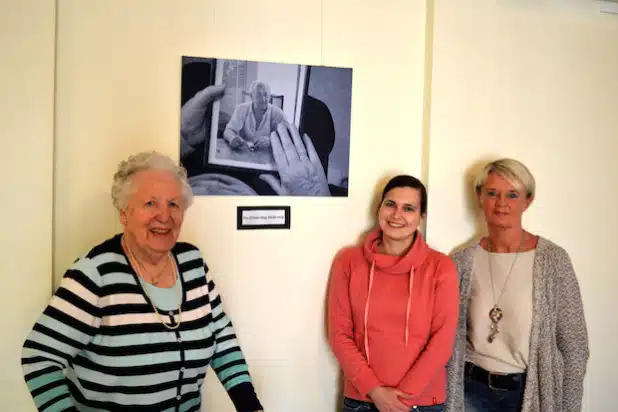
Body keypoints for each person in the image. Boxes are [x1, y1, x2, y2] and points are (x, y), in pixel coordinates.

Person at [21, 152, 264, 411]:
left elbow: (221, 337)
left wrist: (249, 404)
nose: (164, 216)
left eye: (174, 204)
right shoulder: (95, 275)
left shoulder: (193, 264)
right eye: (150, 203)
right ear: (125, 213)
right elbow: (39, 357)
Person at [445, 158, 589, 412]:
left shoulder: (553, 261)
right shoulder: (462, 260)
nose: (501, 203)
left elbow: (575, 345)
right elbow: (444, 335)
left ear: (528, 200)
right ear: (479, 197)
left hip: (528, 394)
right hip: (470, 393)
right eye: (492, 193)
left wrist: (569, 407)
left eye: (512, 194)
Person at [328, 175, 460, 412]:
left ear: (421, 217)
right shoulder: (348, 262)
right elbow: (339, 334)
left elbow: (442, 340)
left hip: (421, 403)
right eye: (390, 204)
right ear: (379, 208)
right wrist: (376, 392)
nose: (397, 215)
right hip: (362, 399)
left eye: (408, 208)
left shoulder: (441, 267)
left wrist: (401, 398)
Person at [223, 80, 287, 152]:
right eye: (258, 95)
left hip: (266, 156)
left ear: (269, 96)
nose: (263, 99)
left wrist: (271, 141)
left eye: (266, 95)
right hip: (244, 153)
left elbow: (287, 137)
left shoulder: (277, 113)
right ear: (251, 96)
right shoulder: (241, 109)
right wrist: (232, 138)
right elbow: (228, 130)